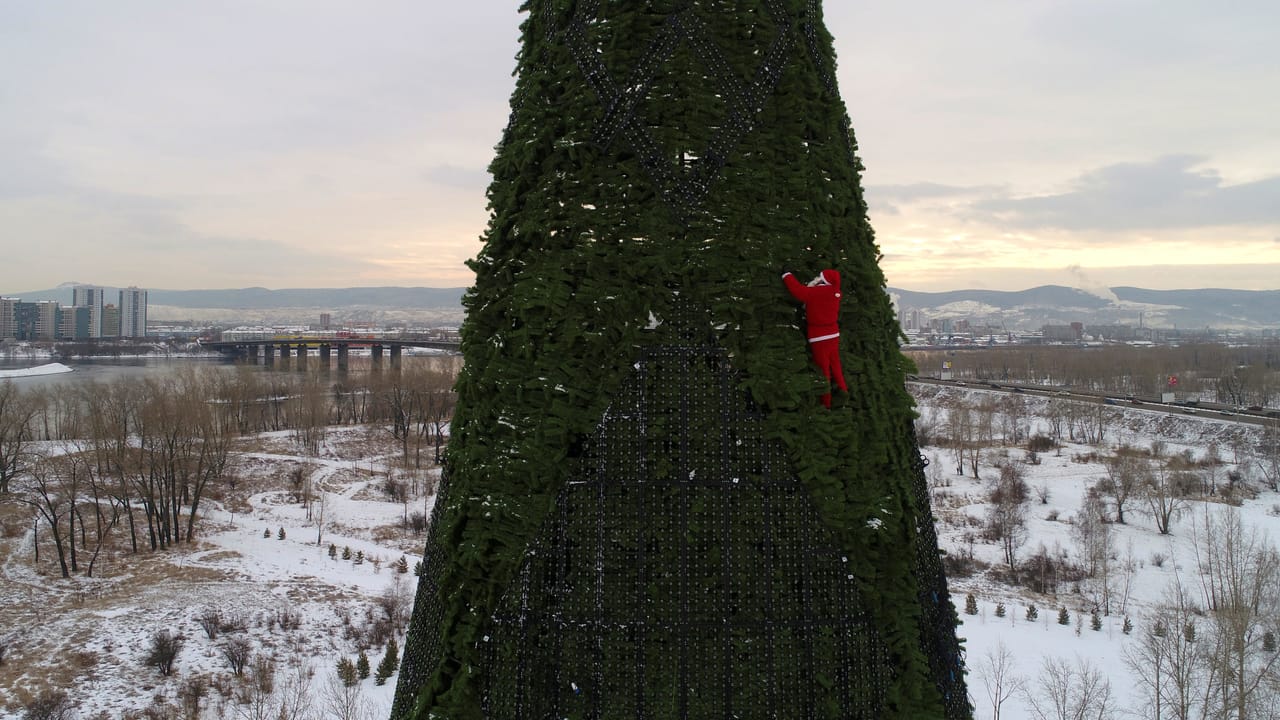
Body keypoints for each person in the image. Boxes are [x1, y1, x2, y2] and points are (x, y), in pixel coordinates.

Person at [782, 269, 848, 408]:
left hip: (819, 337)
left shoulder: (815, 292)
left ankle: (826, 403)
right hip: (833, 334)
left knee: (823, 371)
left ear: (822, 280)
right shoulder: (836, 292)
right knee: (836, 367)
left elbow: (798, 291)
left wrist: (787, 275)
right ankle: (844, 395)